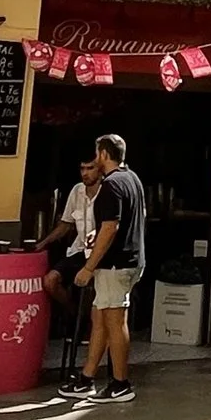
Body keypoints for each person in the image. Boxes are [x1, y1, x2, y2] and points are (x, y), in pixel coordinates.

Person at [79, 132, 147, 402]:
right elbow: (127, 219)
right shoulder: (132, 179)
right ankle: (87, 377)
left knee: (114, 321)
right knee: (101, 317)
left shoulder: (111, 184)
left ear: (104, 154)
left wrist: (88, 266)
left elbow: (111, 226)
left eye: (97, 154)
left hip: (116, 264)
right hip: (132, 260)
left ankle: (120, 383)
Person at [40, 152, 103, 316]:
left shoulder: (108, 191)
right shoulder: (77, 190)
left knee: (97, 290)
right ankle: (76, 315)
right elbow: (66, 224)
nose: (85, 173)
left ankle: (88, 323)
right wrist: (43, 242)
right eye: (82, 168)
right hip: (80, 250)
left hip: (102, 252)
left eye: (90, 168)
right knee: (50, 281)